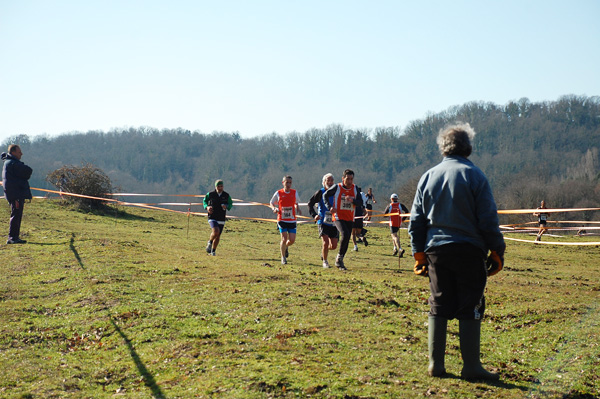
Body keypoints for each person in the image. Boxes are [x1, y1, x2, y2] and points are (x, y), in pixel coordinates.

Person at [409, 123, 505, 380]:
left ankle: (435, 365)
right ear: (468, 148)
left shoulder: (427, 177)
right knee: (470, 304)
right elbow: (487, 220)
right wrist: (497, 250)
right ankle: (471, 366)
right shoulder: (476, 176)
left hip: (435, 252)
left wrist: (418, 254)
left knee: (438, 303)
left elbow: (416, 221)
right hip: (469, 251)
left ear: (443, 147)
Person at [324, 169, 363, 270]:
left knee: (346, 239)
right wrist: (330, 207)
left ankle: (340, 259)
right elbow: (325, 195)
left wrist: (353, 200)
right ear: (343, 178)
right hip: (338, 216)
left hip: (350, 217)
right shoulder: (337, 187)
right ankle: (339, 259)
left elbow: (360, 202)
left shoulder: (355, 189)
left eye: (351, 179)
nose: (349, 181)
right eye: (347, 179)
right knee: (345, 234)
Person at [2, 145, 33, 244]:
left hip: (14, 193)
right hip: (16, 194)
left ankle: (15, 236)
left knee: (17, 214)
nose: (21, 154)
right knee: (16, 215)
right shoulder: (13, 163)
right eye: (19, 152)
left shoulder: (9, 163)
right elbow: (28, 171)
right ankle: (12, 237)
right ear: (13, 152)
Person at [308, 173, 339, 268]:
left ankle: (324, 251)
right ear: (323, 182)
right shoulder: (320, 192)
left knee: (333, 246)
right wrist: (314, 215)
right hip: (322, 221)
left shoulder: (336, 192)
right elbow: (310, 204)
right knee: (325, 242)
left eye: (331, 181)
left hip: (333, 222)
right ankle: (325, 261)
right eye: (327, 181)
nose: (329, 182)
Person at [270, 176, 302, 265]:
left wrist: (298, 208)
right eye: (287, 182)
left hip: (292, 220)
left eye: (290, 183)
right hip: (282, 219)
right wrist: (274, 208)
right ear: (283, 182)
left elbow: (296, 202)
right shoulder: (278, 193)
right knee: (284, 239)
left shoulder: (294, 192)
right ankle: (283, 257)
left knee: (292, 240)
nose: (288, 184)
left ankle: (286, 247)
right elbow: (271, 202)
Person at [203, 179, 233, 256]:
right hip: (212, 216)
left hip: (221, 217)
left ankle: (213, 251)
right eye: (218, 186)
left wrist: (226, 206)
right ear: (215, 187)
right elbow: (204, 201)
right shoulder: (210, 194)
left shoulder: (226, 195)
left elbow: (230, 204)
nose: (220, 188)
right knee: (216, 231)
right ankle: (209, 242)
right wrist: (207, 207)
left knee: (218, 235)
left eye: (221, 186)